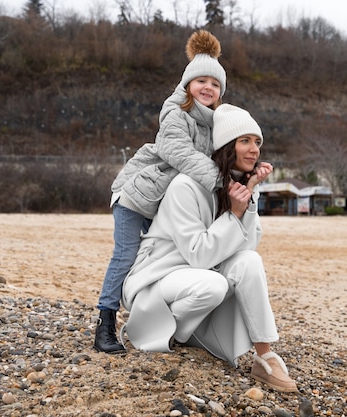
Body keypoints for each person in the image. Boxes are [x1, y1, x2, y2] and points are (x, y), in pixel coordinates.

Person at [120, 104, 298, 393]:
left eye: (257, 142)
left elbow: (247, 245)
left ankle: (264, 356)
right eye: (245, 141)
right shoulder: (186, 186)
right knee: (213, 284)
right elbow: (198, 254)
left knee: (250, 261)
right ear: (227, 147)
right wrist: (235, 214)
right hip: (160, 276)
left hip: (198, 276)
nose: (254, 150)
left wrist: (248, 198)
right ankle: (160, 330)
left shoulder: (239, 187)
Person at [93, 30, 227, 354]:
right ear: (187, 85)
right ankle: (105, 324)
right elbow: (176, 151)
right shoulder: (175, 112)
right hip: (139, 197)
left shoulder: (216, 123)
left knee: (162, 259)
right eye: (201, 81)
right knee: (126, 256)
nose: (207, 87)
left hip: (166, 206)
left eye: (215, 83)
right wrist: (220, 182)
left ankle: (160, 318)